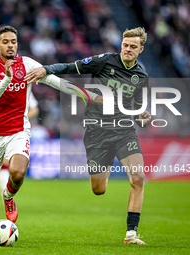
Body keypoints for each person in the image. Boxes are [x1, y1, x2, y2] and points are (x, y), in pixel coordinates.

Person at [24, 27, 151, 245]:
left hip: (123, 132)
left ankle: (131, 234)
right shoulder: (104, 61)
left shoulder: (141, 77)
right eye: (125, 45)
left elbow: (137, 111)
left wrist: (143, 116)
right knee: (98, 189)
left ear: (140, 49)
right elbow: (70, 67)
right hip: (97, 132)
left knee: (138, 179)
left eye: (132, 47)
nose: (127, 50)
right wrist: (46, 69)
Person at [0, 25, 101, 241]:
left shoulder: (29, 65)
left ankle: (8, 196)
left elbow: (57, 83)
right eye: (5, 42)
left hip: (18, 131)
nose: (10, 45)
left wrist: (88, 95)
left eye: (13, 41)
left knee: (17, 173)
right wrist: (7, 78)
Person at [0, 92, 39, 196]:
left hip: (16, 131)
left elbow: (35, 109)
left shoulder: (23, 84)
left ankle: (5, 194)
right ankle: (3, 193)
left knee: (8, 163)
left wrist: (17, 118)